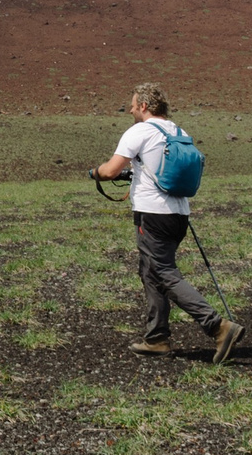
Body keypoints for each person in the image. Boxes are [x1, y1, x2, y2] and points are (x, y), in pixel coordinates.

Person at [90, 83, 242, 363]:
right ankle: (156, 339)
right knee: (150, 271)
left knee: (162, 272)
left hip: (153, 215)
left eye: (133, 105)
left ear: (144, 106)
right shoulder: (177, 131)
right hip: (179, 214)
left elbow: (110, 170)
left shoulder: (139, 131)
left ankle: (217, 327)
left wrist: (95, 172)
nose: (131, 110)